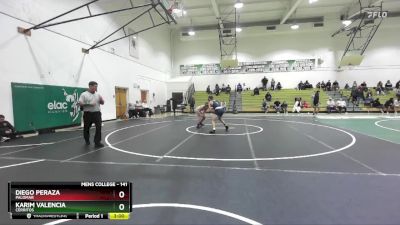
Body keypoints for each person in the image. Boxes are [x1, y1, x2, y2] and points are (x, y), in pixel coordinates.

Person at [79, 81, 105, 148]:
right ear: (90, 86)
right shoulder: (84, 94)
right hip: (88, 114)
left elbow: (102, 103)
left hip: (97, 113)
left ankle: (97, 142)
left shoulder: (98, 94)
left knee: (99, 127)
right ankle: (87, 140)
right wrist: (89, 104)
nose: (96, 88)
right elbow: (80, 103)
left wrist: (102, 101)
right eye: (95, 86)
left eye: (96, 86)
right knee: (86, 128)